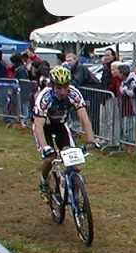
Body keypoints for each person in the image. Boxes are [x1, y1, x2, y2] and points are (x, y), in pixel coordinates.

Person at [32, 66, 98, 201]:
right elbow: (38, 125)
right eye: (59, 88)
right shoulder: (45, 97)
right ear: (52, 86)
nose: (63, 91)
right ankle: (44, 182)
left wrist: (90, 140)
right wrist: (45, 148)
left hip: (61, 125)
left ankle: (75, 192)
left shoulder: (74, 93)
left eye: (65, 87)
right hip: (44, 127)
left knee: (72, 158)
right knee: (49, 158)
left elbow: (84, 119)